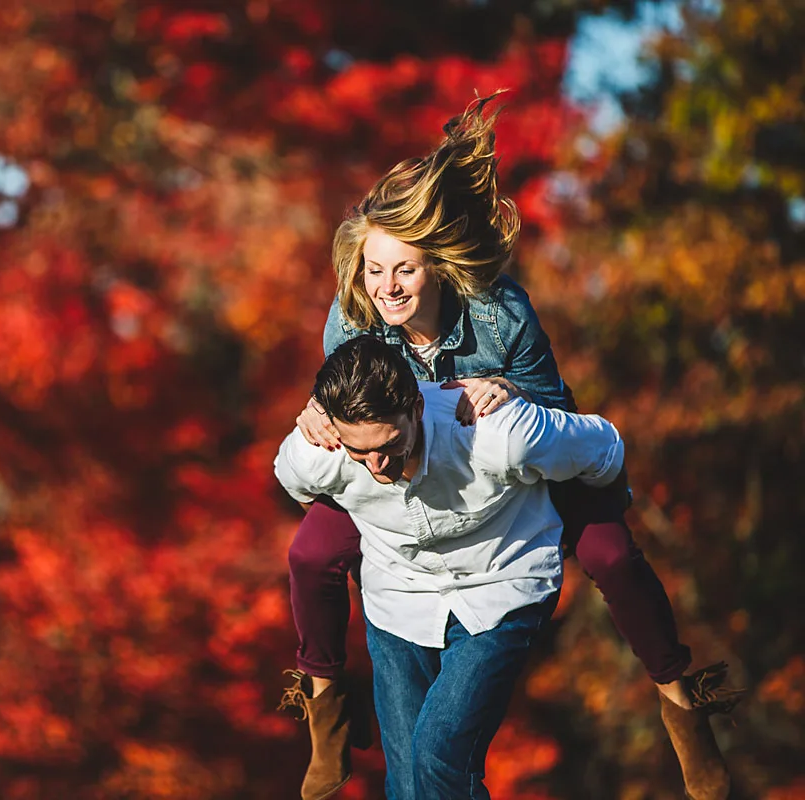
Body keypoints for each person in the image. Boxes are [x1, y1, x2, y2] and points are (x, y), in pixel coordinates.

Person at [278, 95, 741, 800]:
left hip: (515, 450)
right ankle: (324, 707)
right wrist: (316, 414)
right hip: (399, 461)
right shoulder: (351, 317)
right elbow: (343, 401)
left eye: (404, 270)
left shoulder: (500, 313)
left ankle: (681, 699)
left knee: (611, 556)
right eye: (374, 270)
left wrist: (507, 391)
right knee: (311, 554)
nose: (386, 287)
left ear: (436, 265)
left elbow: (554, 417)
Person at [276, 334, 629, 798]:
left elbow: (605, 446)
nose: (377, 465)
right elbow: (297, 485)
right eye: (360, 453)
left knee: (439, 755)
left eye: (390, 444)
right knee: (406, 784)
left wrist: (585, 518)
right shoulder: (319, 453)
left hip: (500, 587)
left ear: (416, 408)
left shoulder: (498, 433)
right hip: (397, 601)